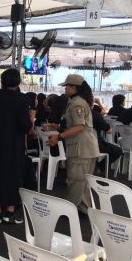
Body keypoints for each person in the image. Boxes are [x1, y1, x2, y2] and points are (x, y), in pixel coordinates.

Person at [0, 69, 32, 223]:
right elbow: (25, 126)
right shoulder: (22, 100)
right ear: (18, 82)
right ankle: (9, 212)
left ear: (2, 81)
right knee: (13, 175)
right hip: (14, 145)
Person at [47, 74, 99, 213]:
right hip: (85, 148)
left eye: (67, 86)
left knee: (76, 181)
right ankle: (85, 209)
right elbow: (78, 125)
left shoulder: (77, 103)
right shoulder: (78, 102)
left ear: (74, 87)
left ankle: (69, 210)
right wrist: (58, 127)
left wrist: (58, 136)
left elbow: (79, 126)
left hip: (80, 149)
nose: (65, 89)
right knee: (83, 182)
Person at [92, 106, 123, 174]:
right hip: (96, 145)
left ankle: (96, 165)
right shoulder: (96, 115)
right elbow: (109, 131)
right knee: (118, 151)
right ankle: (100, 166)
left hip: (80, 144)